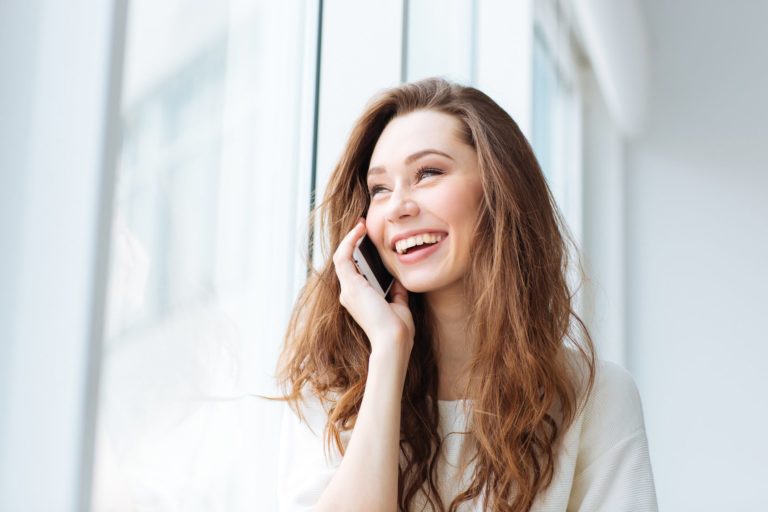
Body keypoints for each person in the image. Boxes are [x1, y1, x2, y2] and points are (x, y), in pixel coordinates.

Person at [273, 77, 657, 511]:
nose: (398, 206)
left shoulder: (594, 396)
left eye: (428, 173)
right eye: (380, 189)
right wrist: (388, 352)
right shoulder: (329, 395)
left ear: (498, 189)